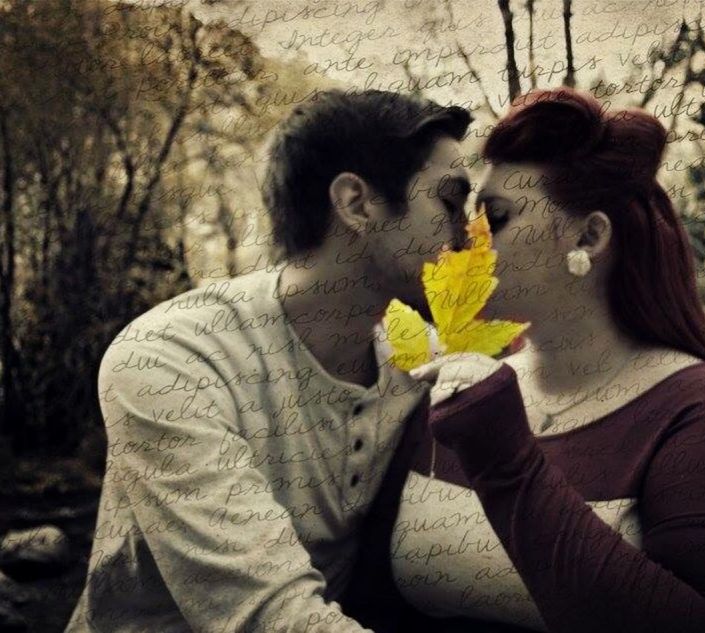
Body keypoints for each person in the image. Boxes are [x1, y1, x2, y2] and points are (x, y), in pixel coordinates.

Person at [341, 87, 705, 633]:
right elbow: (369, 599)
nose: (464, 241)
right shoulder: (455, 392)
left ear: (589, 237)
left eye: (495, 218)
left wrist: (507, 462)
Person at [66, 89, 472, 632]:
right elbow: (267, 616)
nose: (468, 236)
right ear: (355, 203)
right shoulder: (172, 360)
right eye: (449, 203)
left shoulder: (421, 364)